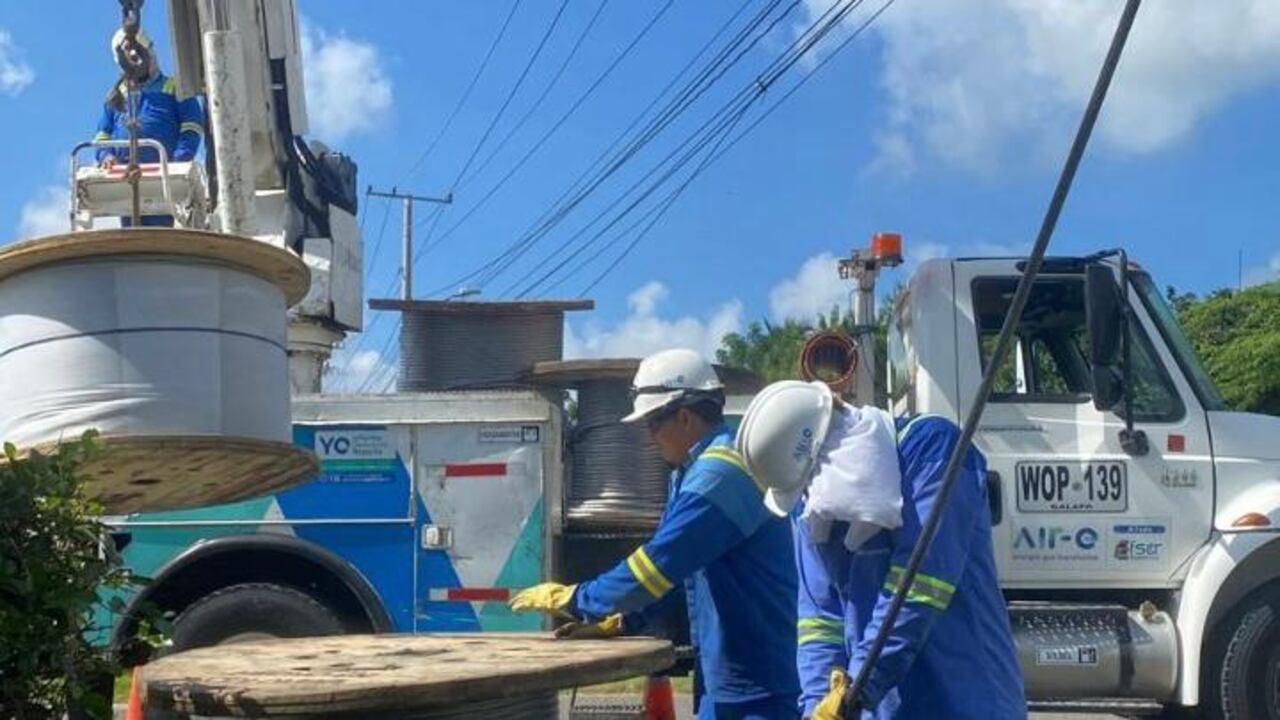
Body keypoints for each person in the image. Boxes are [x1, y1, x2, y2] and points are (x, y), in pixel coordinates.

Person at [511, 349, 801, 719]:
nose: (648, 437)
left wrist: (577, 599)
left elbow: (655, 567)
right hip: (730, 676)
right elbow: (679, 577)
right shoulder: (690, 472)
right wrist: (622, 621)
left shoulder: (720, 476)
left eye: (651, 423)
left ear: (683, 416)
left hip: (761, 687)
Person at [735, 381, 1025, 719]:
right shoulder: (812, 508)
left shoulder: (931, 448)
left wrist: (856, 687)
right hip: (882, 707)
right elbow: (820, 618)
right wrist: (817, 705)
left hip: (966, 700)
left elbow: (919, 586)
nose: (810, 497)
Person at [93, 27, 204, 227]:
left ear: (151, 52)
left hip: (164, 173)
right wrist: (106, 156)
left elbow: (192, 126)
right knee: (133, 232)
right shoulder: (116, 97)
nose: (136, 57)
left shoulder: (175, 87)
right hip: (124, 176)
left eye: (140, 51)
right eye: (128, 53)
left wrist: (179, 159)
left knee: (162, 232)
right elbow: (102, 135)